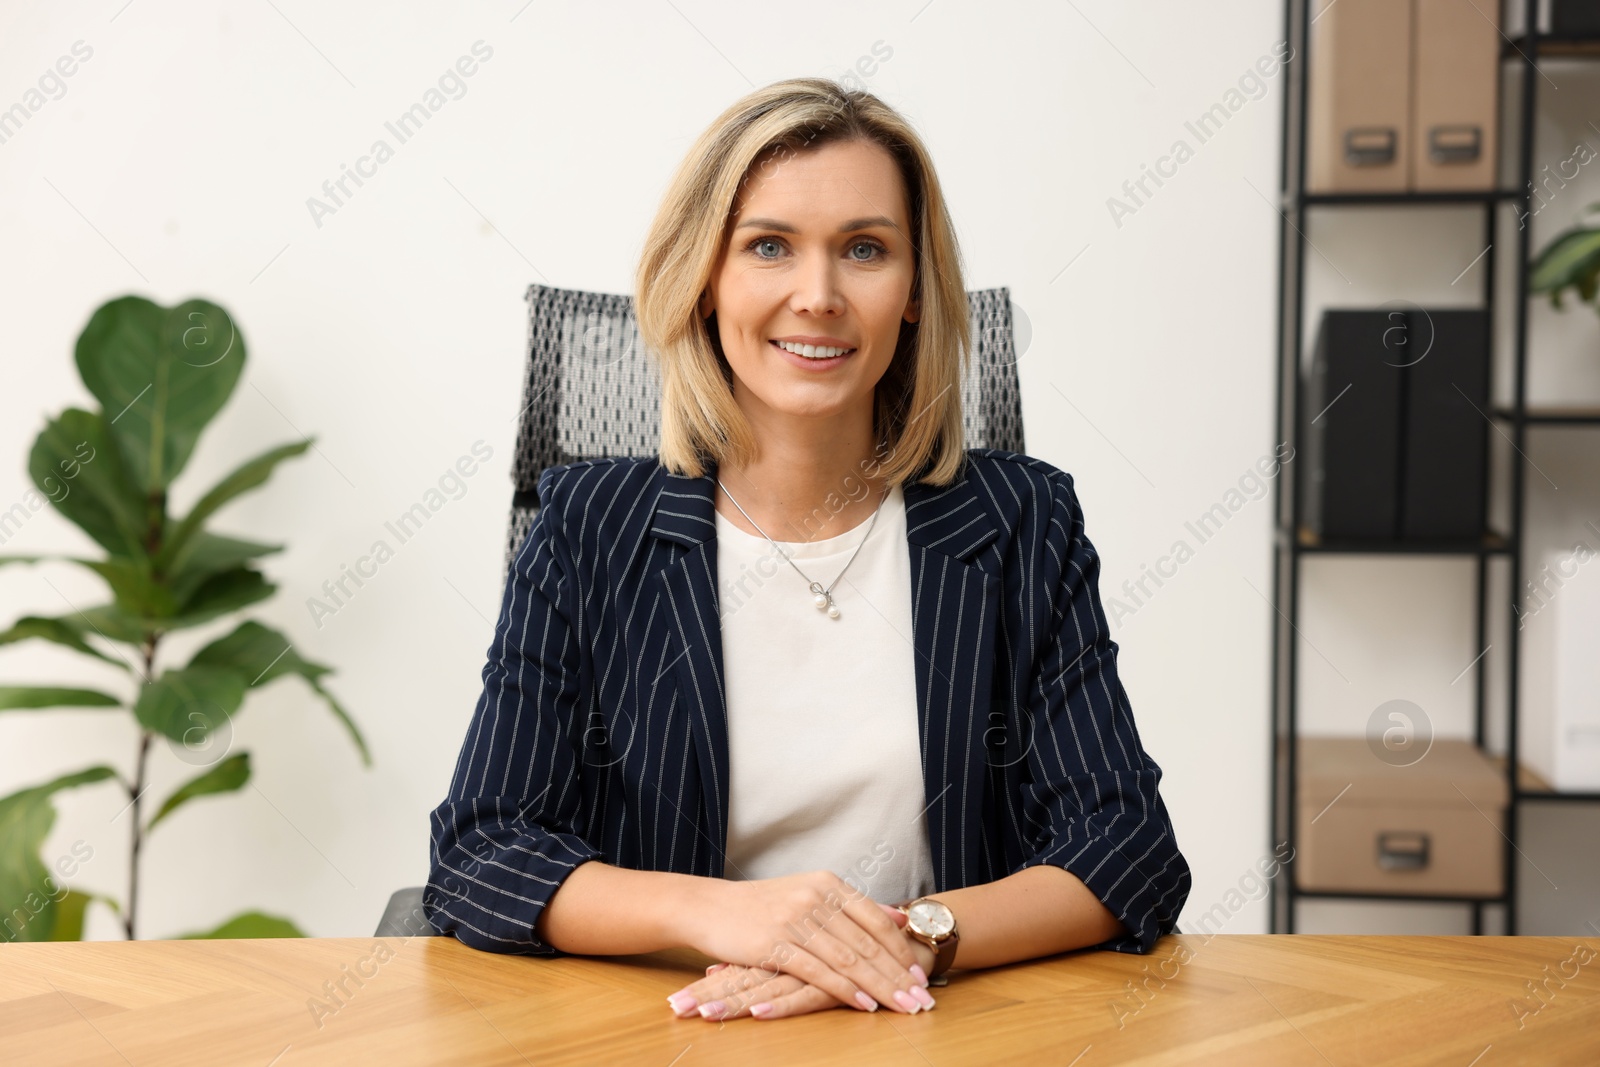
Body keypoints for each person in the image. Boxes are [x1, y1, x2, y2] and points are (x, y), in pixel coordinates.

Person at [425, 77, 1190, 1023]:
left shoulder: (1021, 521)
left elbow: (1126, 845)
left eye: (865, 249)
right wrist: (731, 917)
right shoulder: (590, 525)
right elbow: (482, 850)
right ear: (706, 278)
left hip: (933, 1029)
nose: (818, 295)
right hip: (663, 1027)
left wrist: (909, 938)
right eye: (769, 246)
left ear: (914, 292)